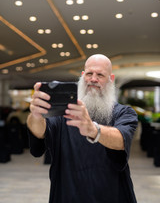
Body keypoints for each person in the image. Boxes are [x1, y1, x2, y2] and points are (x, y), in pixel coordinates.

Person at [27, 54, 138, 203]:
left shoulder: (124, 112)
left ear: (111, 79)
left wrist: (94, 130)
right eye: (89, 73)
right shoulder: (63, 112)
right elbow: (40, 131)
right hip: (67, 194)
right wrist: (35, 115)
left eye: (100, 75)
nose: (93, 79)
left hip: (111, 194)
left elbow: (121, 140)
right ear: (82, 76)